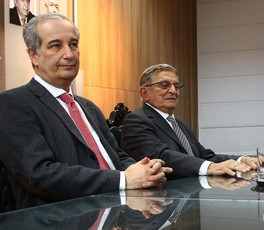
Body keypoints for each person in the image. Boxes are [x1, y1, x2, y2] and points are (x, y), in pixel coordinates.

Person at [0, 14, 172, 209]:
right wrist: (123, 180)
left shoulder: (89, 107)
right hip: (61, 217)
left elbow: (117, 157)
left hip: (116, 211)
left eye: (73, 44)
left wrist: (145, 171)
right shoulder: (12, 104)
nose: (69, 54)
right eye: (56, 46)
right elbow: (39, 175)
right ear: (33, 55)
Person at [121, 63, 259, 180]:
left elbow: (205, 156)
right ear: (144, 93)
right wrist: (210, 167)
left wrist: (242, 160)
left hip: (191, 193)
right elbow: (161, 157)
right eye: (164, 85)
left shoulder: (181, 125)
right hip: (161, 202)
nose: (173, 91)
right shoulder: (136, 120)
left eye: (177, 86)